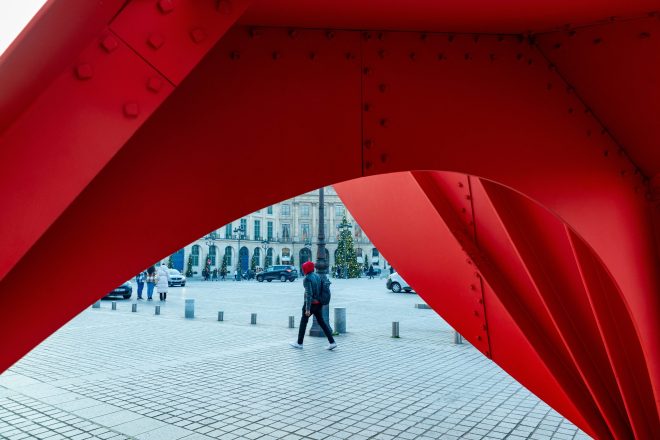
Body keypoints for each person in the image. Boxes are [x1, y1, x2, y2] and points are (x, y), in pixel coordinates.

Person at [290, 261, 336, 350]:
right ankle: (332, 342)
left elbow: (309, 294)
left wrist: (307, 309)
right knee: (322, 323)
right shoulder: (317, 276)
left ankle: (299, 343)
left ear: (306, 269)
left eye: (304, 268)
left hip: (311, 304)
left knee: (303, 322)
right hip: (318, 304)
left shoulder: (307, 279)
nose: (303, 270)